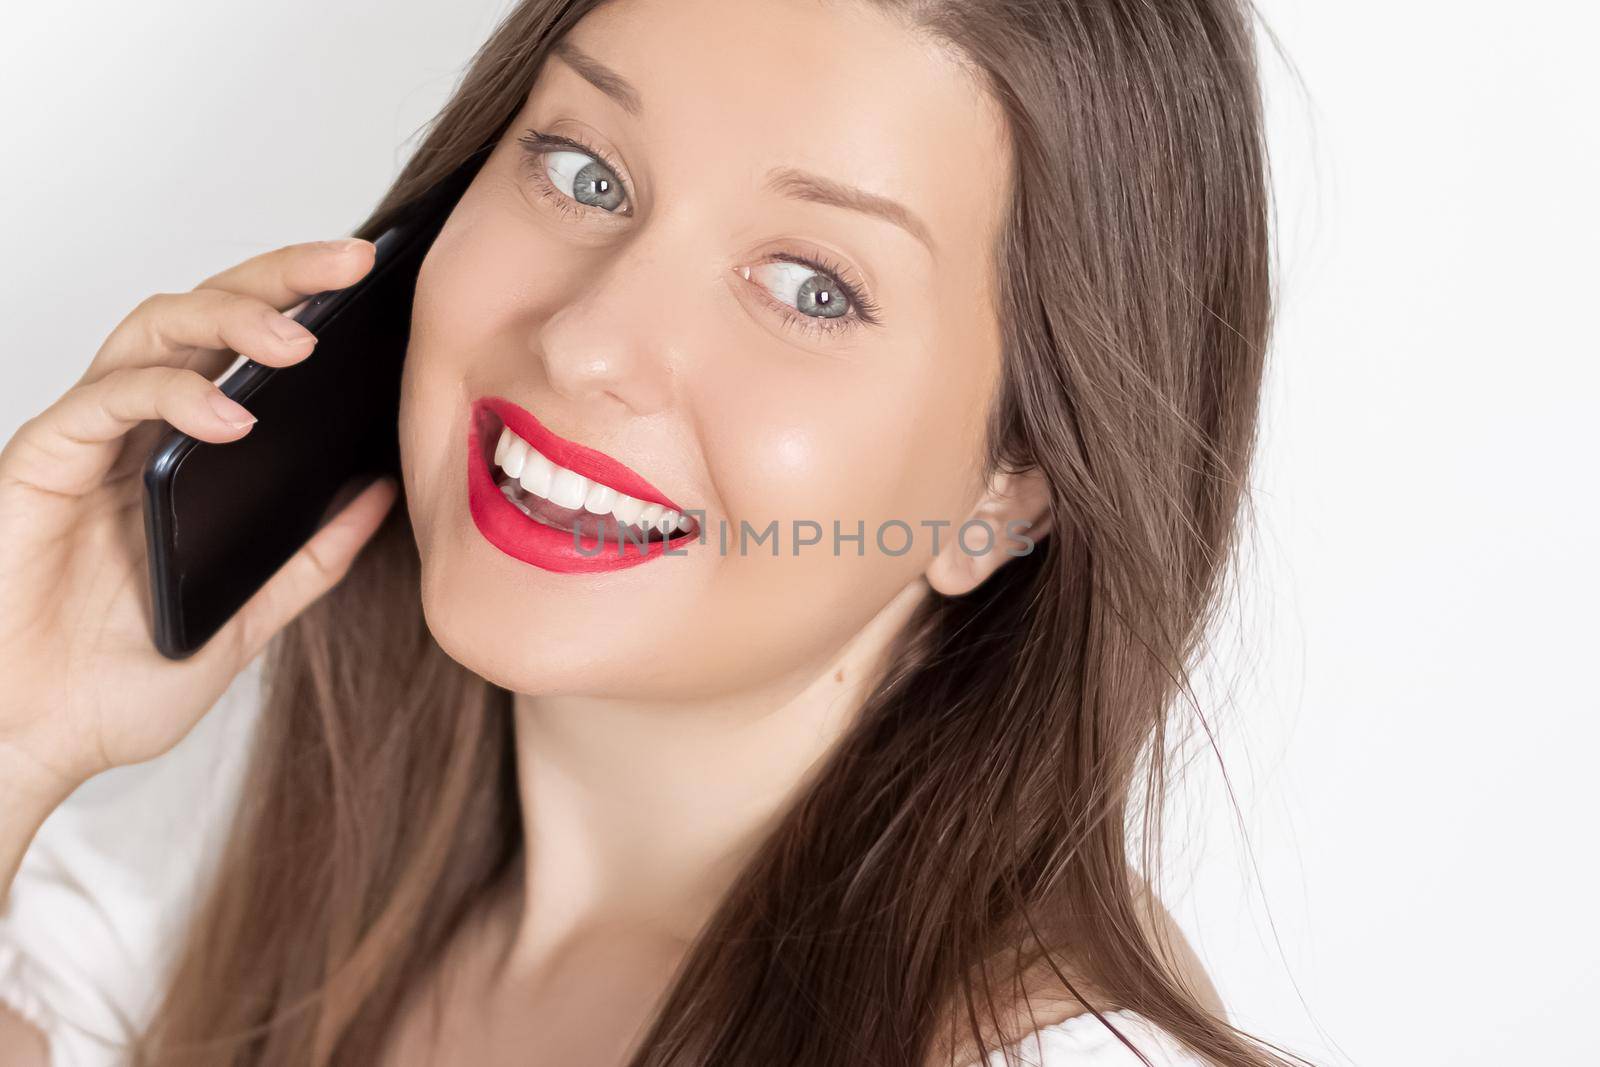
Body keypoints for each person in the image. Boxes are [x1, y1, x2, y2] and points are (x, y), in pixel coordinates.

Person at [0, 0, 1295, 1063]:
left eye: (811, 287)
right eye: (585, 172)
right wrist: (17, 731)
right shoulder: (213, 853)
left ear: (1006, 495)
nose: (587, 341)